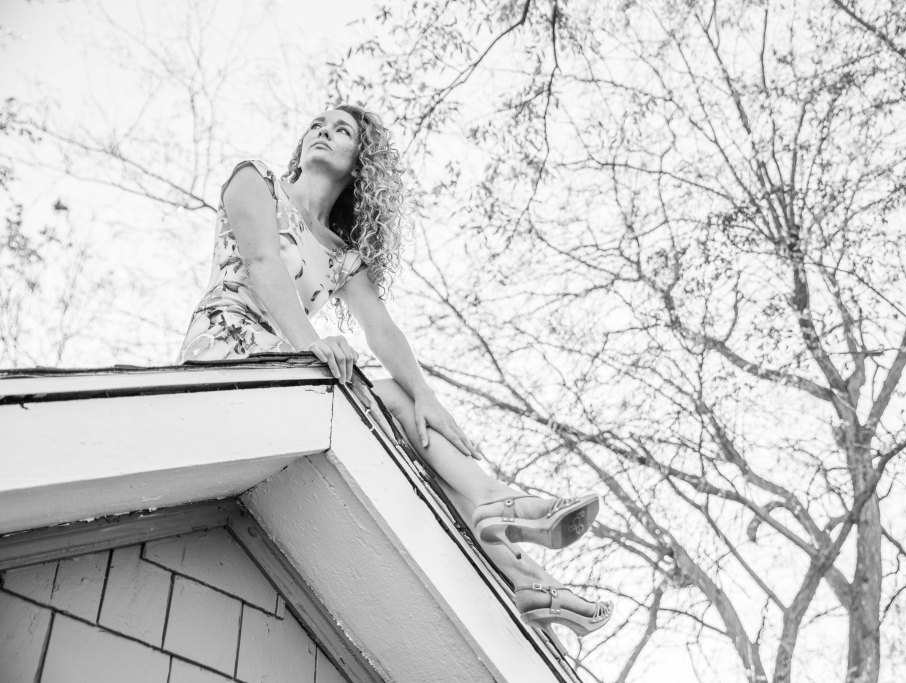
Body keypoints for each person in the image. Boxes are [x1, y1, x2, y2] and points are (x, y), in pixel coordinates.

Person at [176, 104, 612, 647]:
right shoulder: (255, 180)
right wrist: (313, 345)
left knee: (409, 419)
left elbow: (382, 330)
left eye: (341, 130)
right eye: (317, 125)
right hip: (228, 350)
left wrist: (427, 395)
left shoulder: (341, 256)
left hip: (290, 370)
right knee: (386, 401)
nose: (323, 131)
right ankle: (511, 524)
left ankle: (529, 574)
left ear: (360, 162)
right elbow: (263, 263)